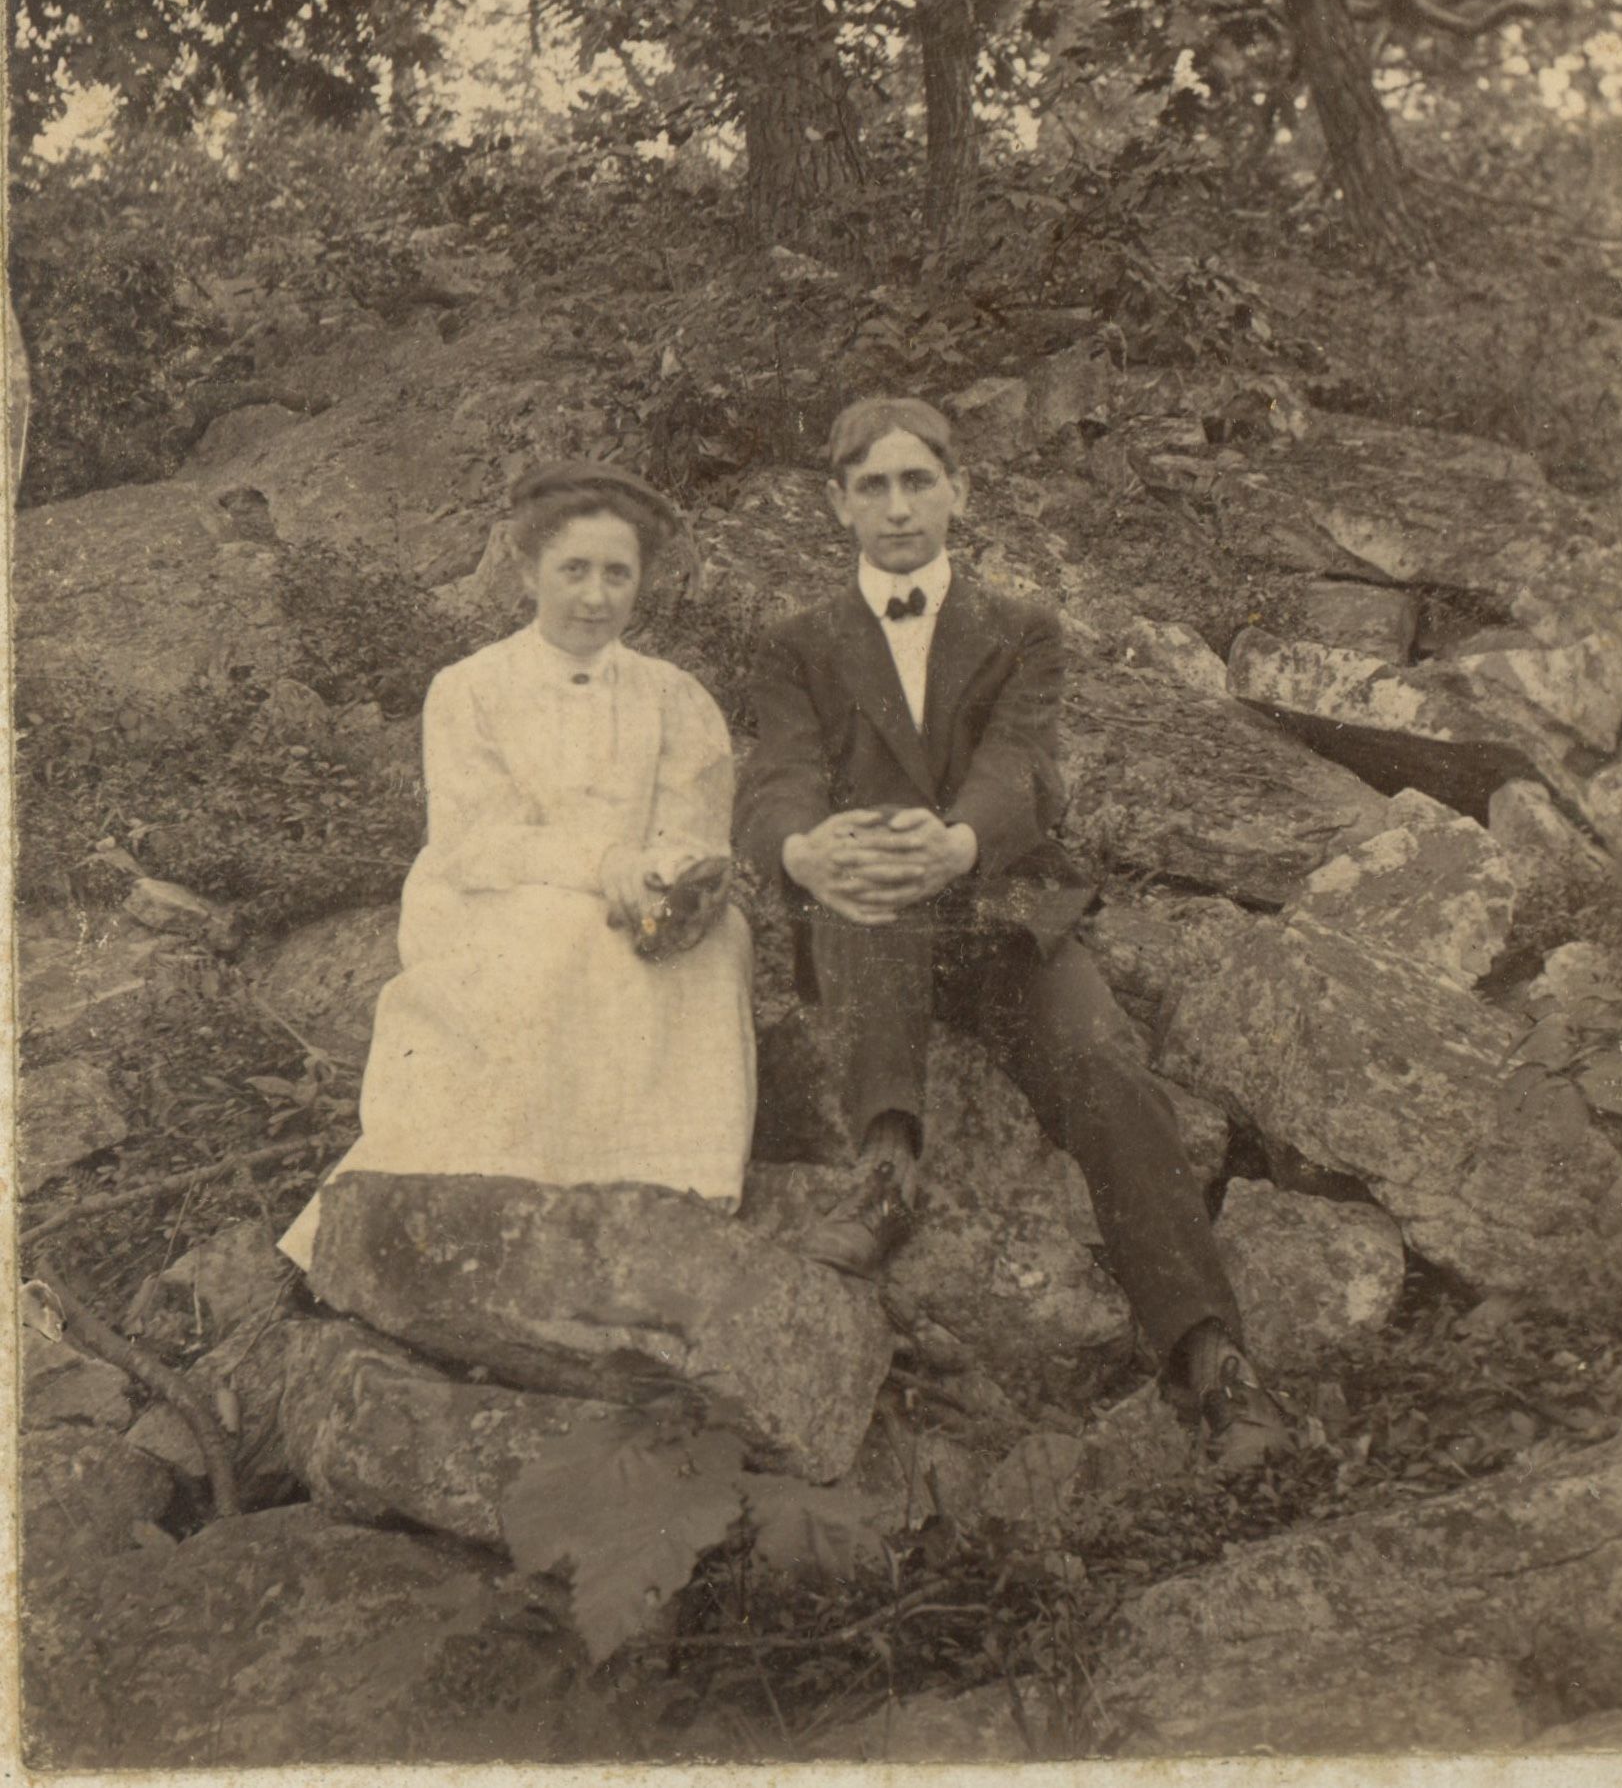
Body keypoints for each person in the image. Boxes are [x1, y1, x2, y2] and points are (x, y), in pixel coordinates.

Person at [735, 395, 1288, 1468]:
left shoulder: (1022, 629)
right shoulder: (797, 644)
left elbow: (1020, 766)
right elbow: (778, 780)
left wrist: (958, 842)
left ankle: (1212, 1359)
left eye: (918, 481)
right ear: (837, 504)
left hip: (1000, 913)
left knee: (1102, 1061)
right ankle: (887, 1166)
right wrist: (803, 850)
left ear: (959, 490)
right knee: (865, 867)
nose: (899, 507)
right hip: (869, 926)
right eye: (873, 487)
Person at [279, 460, 755, 1269]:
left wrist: (664, 876)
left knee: (715, 945)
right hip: (494, 896)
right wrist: (600, 861)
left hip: (633, 896)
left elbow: (694, 823)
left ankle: (670, 1192)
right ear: (529, 570)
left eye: (617, 574)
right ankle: (503, 1186)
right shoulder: (471, 688)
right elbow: (476, 839)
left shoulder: (674, 696)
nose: (595, 596)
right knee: (560, 934)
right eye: (574, 570)